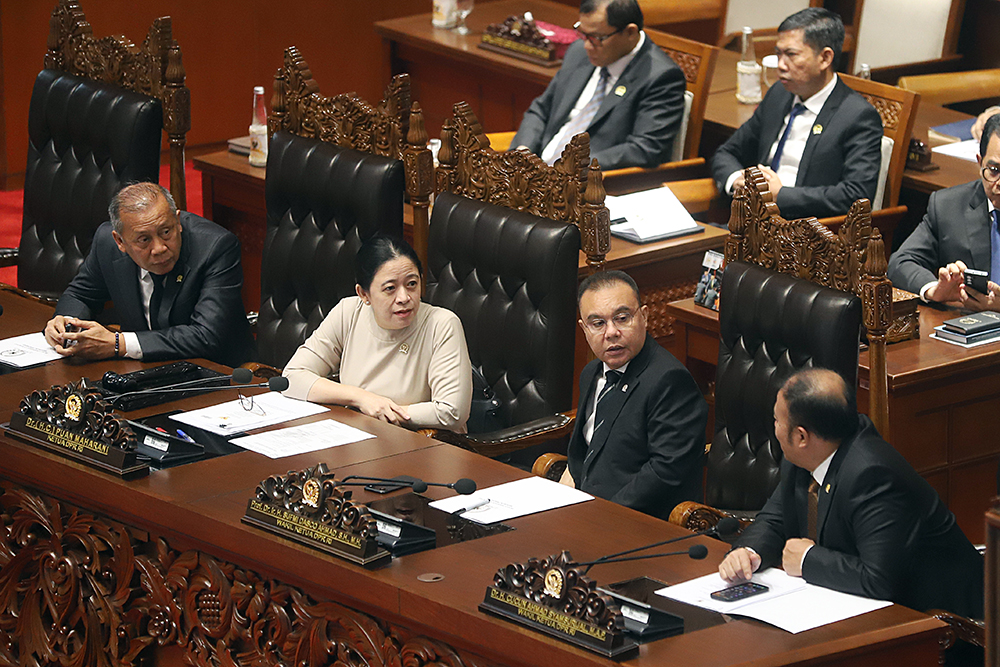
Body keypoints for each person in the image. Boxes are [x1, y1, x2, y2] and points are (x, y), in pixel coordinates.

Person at [719, 369, 983, 619]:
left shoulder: (872, 475)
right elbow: (774, 519)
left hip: (942, 623)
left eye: (777, 420)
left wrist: (808, 560)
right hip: (850, 606)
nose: (774, 428)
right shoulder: (807, 456)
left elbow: (880, 579)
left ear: (801, 437)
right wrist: (748, 552)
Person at [43, 182, 253, 367]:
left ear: (178, 221)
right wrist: (66, 325)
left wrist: (118, 344)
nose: (159, 248)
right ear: (120, 241)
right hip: (140, 371)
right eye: (144, 240)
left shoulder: (216, 247)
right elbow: (80, 295)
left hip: (215, 374)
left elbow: (206, 335)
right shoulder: (106, 244)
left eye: (166, 232)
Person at [282, 235, 472, 432]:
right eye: (390, 288)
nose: (404, 298)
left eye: (412, 284)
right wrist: (361, 398)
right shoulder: (348, 312)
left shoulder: (442, 324)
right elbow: (292, 377)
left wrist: (383, 412)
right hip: (357, 435)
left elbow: (451, 412)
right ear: (363, 294)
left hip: (420, 442)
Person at [710, 8, 883, 219]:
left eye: (791, 55)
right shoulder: (779, 94)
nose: (781, 65)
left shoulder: (857, 116)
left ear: (825, 58)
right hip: (750, 221)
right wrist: (737, 180)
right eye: (778, 54)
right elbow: (727, 152)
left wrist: (780, 195)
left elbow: (856, 196)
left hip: (806, 230)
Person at [561, 270, 707, 520]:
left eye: (622, 318)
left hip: (638, 520)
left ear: (644, 317)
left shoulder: (669, 381)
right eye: (598, 324)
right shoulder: (591, 373)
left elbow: (664, 472)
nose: (611, 332)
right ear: (584, 329)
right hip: (587, 510)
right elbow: (586, 452)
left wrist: (604, 515)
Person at [510, 0, 686, 171]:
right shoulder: (578, 52)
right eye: (583, 33)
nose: (587, 45)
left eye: (597, 38)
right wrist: (524, 150)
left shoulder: (661, 77)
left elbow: (644, 149)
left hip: (593, 180)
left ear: (630, 32)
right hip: (537, 172)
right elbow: (541, 110)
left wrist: (574, 168)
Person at [888, 113, 1000, 310]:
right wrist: (934, 289)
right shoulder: (948, 206)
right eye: (994, 170)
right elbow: (901, 262)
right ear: (979, 162)